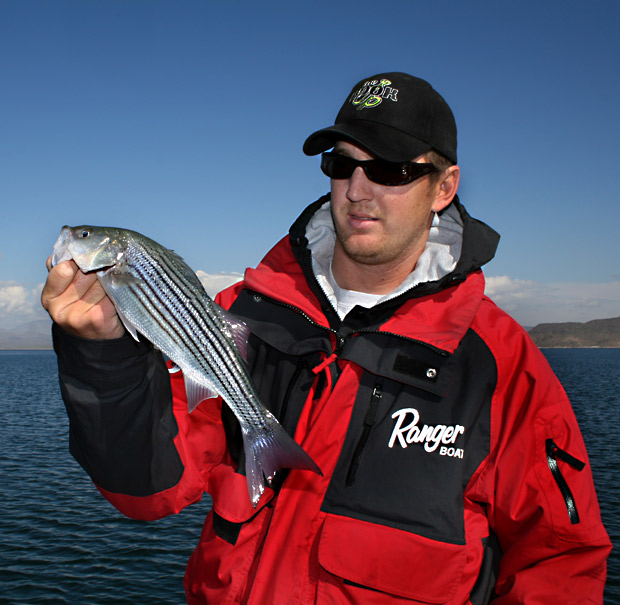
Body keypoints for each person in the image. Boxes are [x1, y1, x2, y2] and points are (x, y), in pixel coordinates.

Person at [42, 72, 611, 604]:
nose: (359, 188)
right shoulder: (240, 317)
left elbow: (560, 559)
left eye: (391, 170)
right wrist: (102, 354)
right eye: (342, 164)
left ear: (444, 188)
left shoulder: (502, 364)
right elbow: (145, 490)